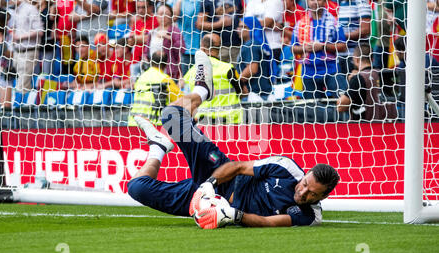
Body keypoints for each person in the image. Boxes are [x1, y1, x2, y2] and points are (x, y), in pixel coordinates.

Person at [127, 50, 340, 229]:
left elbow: (269, 222)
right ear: (305, 175)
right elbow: (238, 167)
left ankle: (158, 146)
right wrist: (209, 184)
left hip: (213, 204)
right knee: (170, 117)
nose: (302, 192)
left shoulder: (311, 216)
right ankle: (202, 91)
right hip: (219, 176)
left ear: (323, 197)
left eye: (312, 194)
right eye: (304, 184)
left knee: (136, 188)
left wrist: (232, 215)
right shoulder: (287, 169)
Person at [181, 33, 247, 124]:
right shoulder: (227, 68)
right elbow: (244, 92)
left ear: (202, 47)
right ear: (219, 48)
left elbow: (185, 98)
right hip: (229, 122)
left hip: (203, 123)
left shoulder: (191, 72)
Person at [291, 0, 348, 99]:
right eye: (312, 0)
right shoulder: (300, 23)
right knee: (312, 110)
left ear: (325, 1)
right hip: (308, 73)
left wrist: (322, 46)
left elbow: (343, 46)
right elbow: (293, 48)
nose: (315, 2)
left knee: (343, 101)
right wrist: (304, 48)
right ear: (307, 2)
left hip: (331, 70)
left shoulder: (334, 21)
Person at [336, 43, 397, 121]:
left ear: (356, 59)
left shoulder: (358, 78)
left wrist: (350, 83)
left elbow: (340, 107)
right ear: (372, 59)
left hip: (366, 127)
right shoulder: (385, 74)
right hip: (390, 125)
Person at [128, 50, 184, 126]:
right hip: (153, 123)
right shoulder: (164, 79)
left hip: (133, 122)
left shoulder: (141, 77)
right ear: (166, 64)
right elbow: (182, 100)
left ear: (151, 62)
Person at [143, 4, 185, 81]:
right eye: (161, 14)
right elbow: (146, 52)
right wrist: (145, 59)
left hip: (169, 73)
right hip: (153, 72)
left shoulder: (175, 31)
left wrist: (168, 38)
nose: (163, 17)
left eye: (166, 14)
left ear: (171, 16)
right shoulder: (153, 32)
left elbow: (182, 49)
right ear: (156, 16)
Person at [11, 0, 44, 94]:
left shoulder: (31, 9)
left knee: (23, 85)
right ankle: (21, 105)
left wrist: (19, 37)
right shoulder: (15, 10)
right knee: (19, 84)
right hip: (17, 51)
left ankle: (20, 107)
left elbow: (39, 31)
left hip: (29, 51)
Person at [244, 0, 285, 78]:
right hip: (253, 46)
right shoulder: (252, 2)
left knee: (269, 79)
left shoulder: (276, 2)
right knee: (255, 79)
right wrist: (271, 25)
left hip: (272, 47)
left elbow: (266, 23)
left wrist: (267, 24)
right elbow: (246, 22)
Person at [236, 17, 273, 100]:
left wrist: (236, 83)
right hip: (258, 94)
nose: (238, 29)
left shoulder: (251, 45)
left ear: (252, 29)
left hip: (254, 95)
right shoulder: (253, 44)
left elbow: (252, 69)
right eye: (239, 27)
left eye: (243, 27)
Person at [196, 0, 243, 65]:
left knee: (234, 73)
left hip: (236, 46)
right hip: (217, 48)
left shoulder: (237, 1)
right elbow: (199, 24)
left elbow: (241, 15)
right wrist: (220, 23)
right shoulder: (208, 1)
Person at [336, 0, 372, 76]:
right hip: (340, 55)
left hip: (355, 56)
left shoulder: (361, 2)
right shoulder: (341, 3)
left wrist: (341, 36)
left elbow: (365, 30)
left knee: (353, 85)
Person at [173, 0, 202, 77]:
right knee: (186, 80)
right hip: (186, 49)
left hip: (202, 49)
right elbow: (173, 17)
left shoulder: (201, 2)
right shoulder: (176, 2)